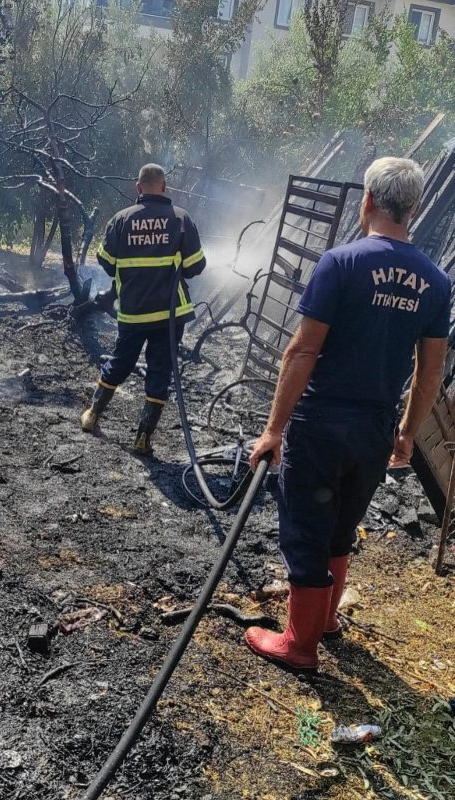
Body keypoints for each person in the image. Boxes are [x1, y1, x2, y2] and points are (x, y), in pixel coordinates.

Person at [246, 157, 450, 670]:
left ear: (367, 202)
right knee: (342, 526)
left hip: (320, 426)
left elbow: (301, 353)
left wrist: (273, 431)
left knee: (307, 530)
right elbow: (429, 377)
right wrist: (404, 435)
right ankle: (326, 620)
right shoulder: (435, 282)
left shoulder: (341, 263)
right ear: (415, 208)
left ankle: (299, 644)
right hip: (374, 431)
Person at [81, 163, 206, 454]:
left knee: (121, 361)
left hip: (133, 312)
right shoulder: (180, 219)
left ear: (138, 188)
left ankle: (92, 416)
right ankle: (143, 438)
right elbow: (195, 267)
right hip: (169, 314)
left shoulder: (120, 220)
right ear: (164, 187)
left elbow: (107, 264)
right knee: (159, 371)